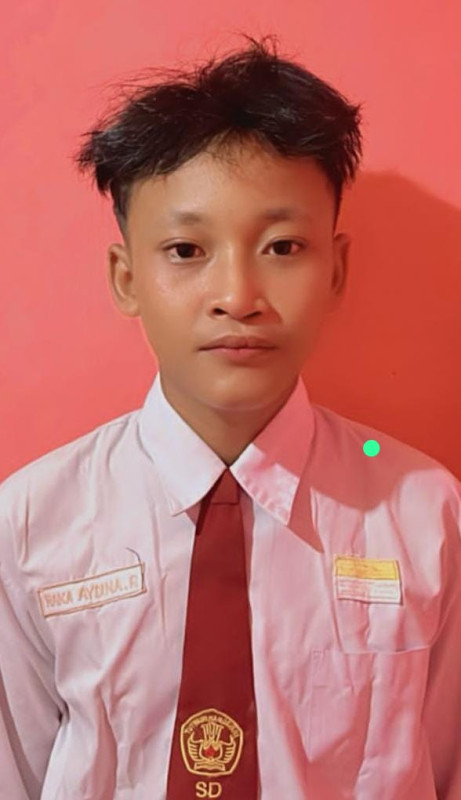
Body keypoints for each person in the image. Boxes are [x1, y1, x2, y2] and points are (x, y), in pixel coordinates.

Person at [1, 31, 460, 800]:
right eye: (186, 250)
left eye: (282, 246)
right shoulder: (30, 523)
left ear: (336, 268)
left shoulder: (425, 517)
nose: (237, 296)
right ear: (126, 278)